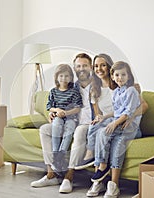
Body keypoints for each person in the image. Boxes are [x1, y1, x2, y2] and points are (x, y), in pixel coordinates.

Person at [30, 53, 94, 193]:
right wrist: (52, 114)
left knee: (78, 132)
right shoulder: (73, 86)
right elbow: (57, 102)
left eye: (85, 66)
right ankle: (51, 173)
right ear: (75, 69)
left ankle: (68, 177)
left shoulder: (98, 85)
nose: (81, 69)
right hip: (68, 120)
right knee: (45, 129)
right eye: (78, 66)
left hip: (87, 124)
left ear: (91, 67)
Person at [90, 61, 143, 198]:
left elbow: (128, 113)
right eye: (117, 75)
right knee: (116, 141)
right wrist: (105, 116)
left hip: (130, 127)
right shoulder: (116, 92)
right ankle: (113, 185)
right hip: (120, 126)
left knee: (103, 131)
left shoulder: (131, 90)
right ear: (112, 76)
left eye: (123, 75)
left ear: (128, 76)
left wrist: (113, 124)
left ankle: (102, 165)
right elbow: (117, 111)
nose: (120, 78)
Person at [46, 64, 82, 171]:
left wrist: (66, 113)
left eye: (66, 76)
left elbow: (77, 108)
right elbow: (49, 107)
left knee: (70, 126)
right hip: (58, 116)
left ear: (71, 78)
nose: (64, 79)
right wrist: (57, 110)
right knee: (56, 124)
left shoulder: (74, 91)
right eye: (61, 76)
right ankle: (56, 153)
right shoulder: (53, 91)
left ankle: (62, 153)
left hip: (70, 117)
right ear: (57, 77)